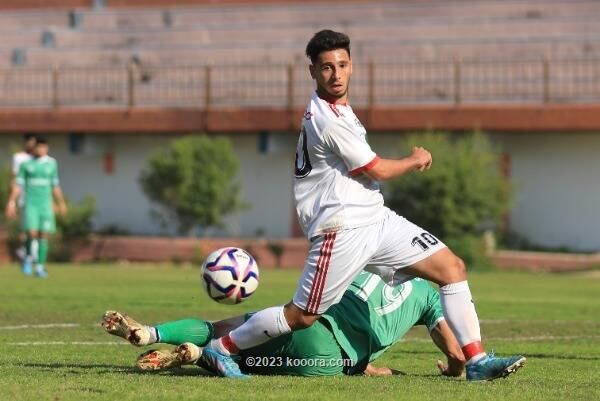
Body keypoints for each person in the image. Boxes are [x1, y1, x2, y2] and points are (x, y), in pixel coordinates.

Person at [201, 29, 525, 381]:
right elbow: (378, 170)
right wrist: (415, 159)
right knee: (301, 316)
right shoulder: (326, 118)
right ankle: (220, 350)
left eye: (341, 65)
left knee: (452, 268)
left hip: (376, 220)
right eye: (326, 67)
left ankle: (476, 362)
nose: (335, 74)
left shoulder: (343, 111)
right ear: (313, 72)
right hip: (341, 229)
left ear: (352, 66)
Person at [102, 272, 466, 377]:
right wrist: (451, 371)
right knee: (247, 363)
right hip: (328, 361)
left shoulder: (362, 262)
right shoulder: (429, 294)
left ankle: (151, 333)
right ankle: (197, 356)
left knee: (221, 331)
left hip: (300, 320)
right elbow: (456, 354)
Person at [4, 136, 68, 278]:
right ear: (34, 148)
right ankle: (27, 258)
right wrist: (11, 202)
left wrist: (61, 203)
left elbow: (55, 185)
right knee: (31, 233)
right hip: (30, 203)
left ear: (47, 148)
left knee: (43, 234)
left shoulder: (52, 164)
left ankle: (39, 266)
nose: (41, 149)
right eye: (38, 147)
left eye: (43, 147)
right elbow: (18, 186)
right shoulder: (26, 164)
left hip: (45, 205)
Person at [9, 133, 37, 273]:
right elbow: (15, 180)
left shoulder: (40, 160)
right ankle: (26, 254)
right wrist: (12, 201)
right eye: (30, 142)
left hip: (39, 199)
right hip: (24, 198)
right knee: (26, 229)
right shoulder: (19, 158)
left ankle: (32, 256)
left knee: (37, 230)